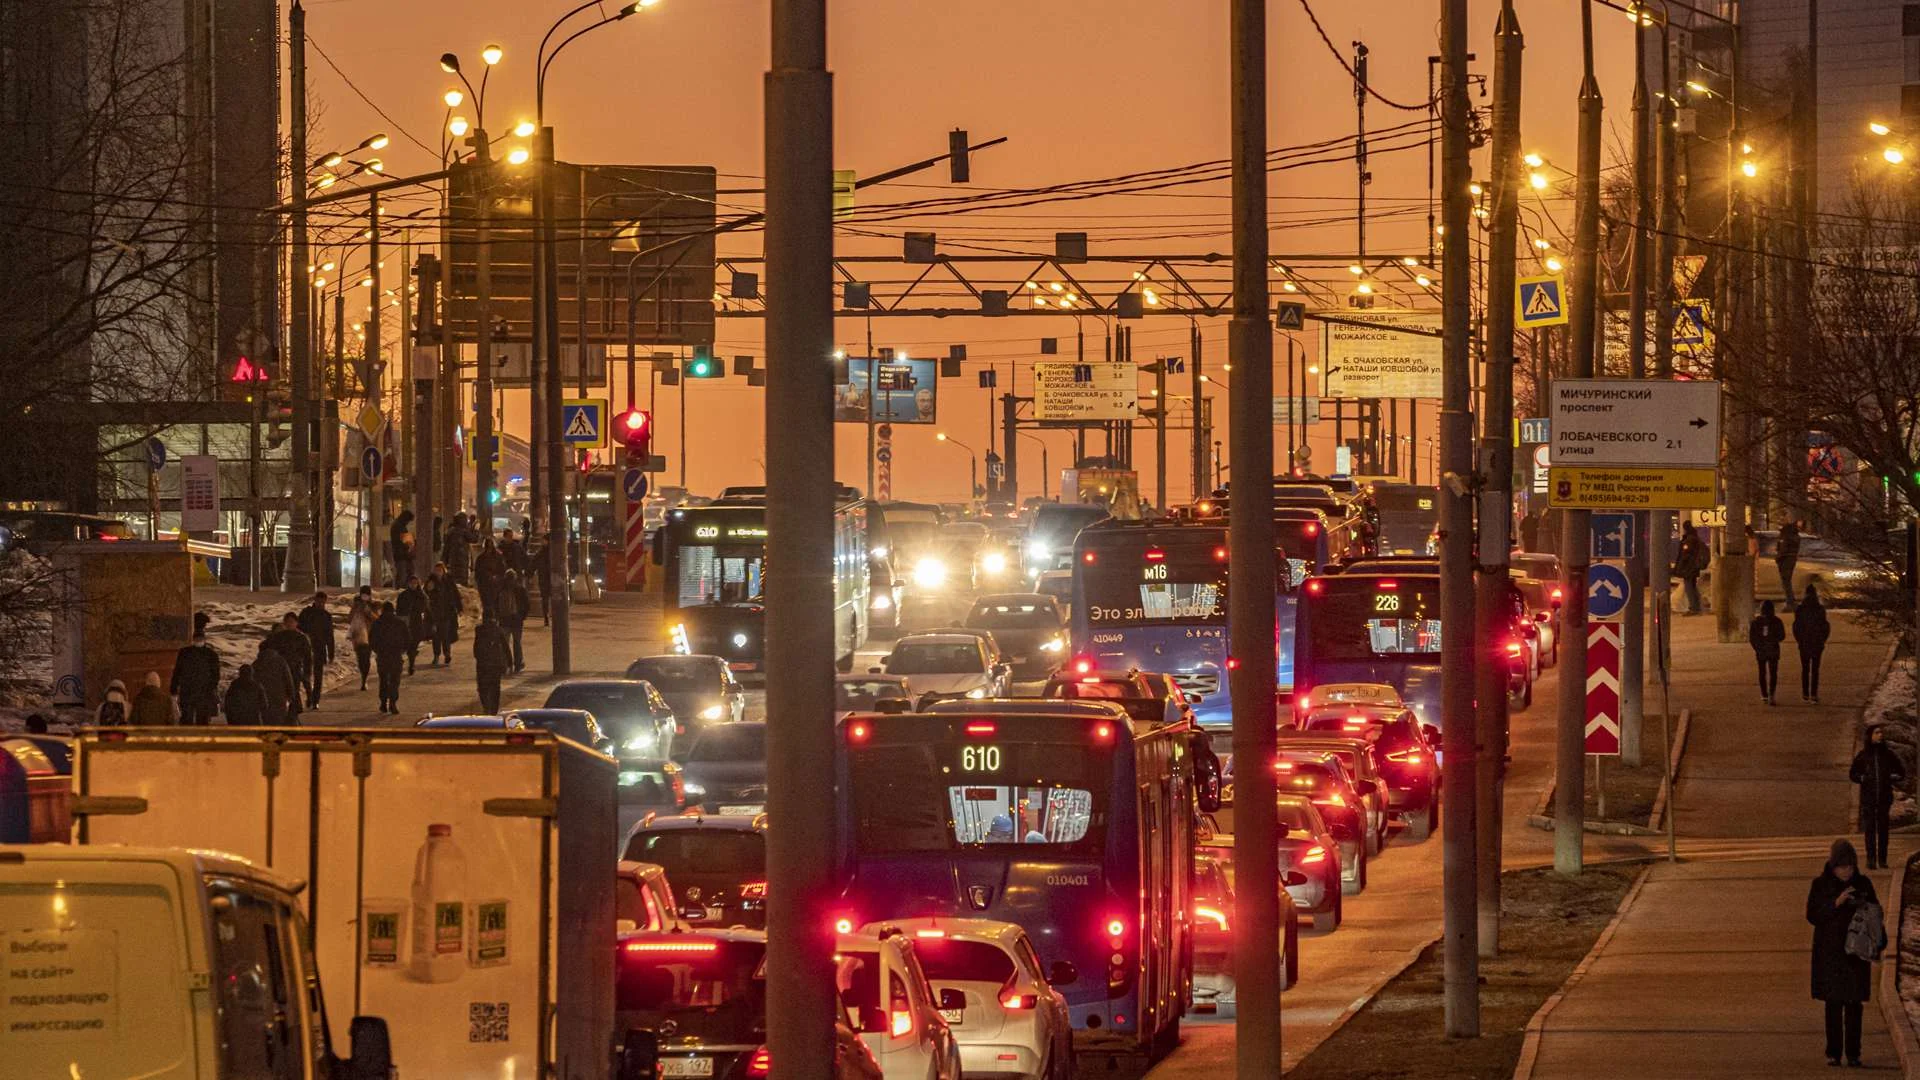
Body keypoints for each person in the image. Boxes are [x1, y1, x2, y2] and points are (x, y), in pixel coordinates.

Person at [1806, 838, 1879, 1067]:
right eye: (1842, 866)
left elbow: (1877, 916)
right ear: (1833, 865)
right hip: (1831, 954)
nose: (1846, 871)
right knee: (1834, 1004)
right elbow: (1813, 915)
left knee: (1854, 1004)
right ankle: (1834, 1052)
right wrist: (1836, 903)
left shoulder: (1863, 884)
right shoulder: (1821, 885)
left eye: (1850, 866)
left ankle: (1854, 1053)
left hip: (1855, 954)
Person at [1850, 726, 1906, 870]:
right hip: (1868, 797)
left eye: (1881, 733)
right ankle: (1871, 859)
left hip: (1884, 796)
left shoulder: (1888, 755)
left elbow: (1901, 772)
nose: (1880, 735)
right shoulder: (1863, 755)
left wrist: (1893, 777)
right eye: (1877, 733)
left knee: (1883, 829)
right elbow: (1853, 774)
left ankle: (1882, 859)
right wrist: (1862, 778)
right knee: (1870, 829)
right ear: (1870, 736)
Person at [169, 617, 221, 726]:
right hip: (203, 693)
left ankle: (187, 740)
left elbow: (177, 671)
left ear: (193, 640)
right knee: (202, 721)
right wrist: (211, 688)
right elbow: (216, 676)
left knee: (187, 719)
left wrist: (173, 688)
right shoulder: (211, 655)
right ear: (204, 639)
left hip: (187, 691)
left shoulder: (184, 653)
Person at [370, 600, 411, 714]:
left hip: (382, 655)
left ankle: (383, 703)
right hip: (396, 655)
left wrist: (377, 650)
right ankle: (393, 702)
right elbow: (407, 639)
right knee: (394, 680)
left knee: (383, 680)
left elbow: (372, 640)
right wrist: (403, 650)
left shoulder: (377, 623)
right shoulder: (399, 623)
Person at [1794, 583, 1832, 704]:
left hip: (1804, 643)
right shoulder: (1820, 609)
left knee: (1805, 669)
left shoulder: (1800, 609)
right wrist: (1822, 639)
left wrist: (1799, 639)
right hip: (1817, 643)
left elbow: (1796, 626)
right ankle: (1814, 694)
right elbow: (1825, 626)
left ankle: (1805, 694)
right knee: (1815, 669)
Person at [472, 613, 513, 714]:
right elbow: (505, 647)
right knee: (495, 687)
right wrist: (510, 662)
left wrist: (479, 658)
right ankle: (494, 709)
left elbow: (476, 647)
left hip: (483, 664)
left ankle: (486, 707)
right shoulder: (498, 630)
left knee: (483, 687)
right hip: (495, 663)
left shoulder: (479, 630)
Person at [252, 640, 298, 725]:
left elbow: (252, 683)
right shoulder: (281, 661)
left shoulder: (256, 663)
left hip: (263, 699)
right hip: (280, 697)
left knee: (266, 722)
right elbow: (288, 680)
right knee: (279, 722)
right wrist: (291, 696)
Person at [1749, 599, 1786, 705]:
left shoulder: (1756, 622)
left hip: (1761, 651)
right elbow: (1782, 636)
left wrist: (1757, 647)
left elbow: (1752, 638)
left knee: (1762, 673)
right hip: (1773, 650)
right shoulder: (1777, 621)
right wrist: (1774, 640)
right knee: (1773, 673)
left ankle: (1764, 694)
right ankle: (1772, 694)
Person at [427, 562, 463, 666]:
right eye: (436, 570)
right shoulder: (431, 581)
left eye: (440, 570)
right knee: (436, 636)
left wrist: (459, 608)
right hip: (435, 614)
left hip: (447, 612)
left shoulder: (449, 581)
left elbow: (455, 594)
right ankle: (436, 655)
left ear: (444, 571)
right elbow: (426, 595)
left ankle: (447, 654)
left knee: (445, 634)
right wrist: (429, 589)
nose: (438, 572)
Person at [396, 575, 429, 675]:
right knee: (407, 644)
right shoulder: (403, 595)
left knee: (413, 644)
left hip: (416, 623)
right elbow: (399, 610)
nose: (413, 585)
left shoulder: (421, 595)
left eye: (415, 583)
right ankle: (410, 663)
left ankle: (411, 663)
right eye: (411, 583)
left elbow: (425, 608)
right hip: (406, 623)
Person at [500, 569, 530, 674]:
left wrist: (522, 616)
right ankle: (506, 664)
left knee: (515, 643)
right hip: (506, 619)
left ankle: (517, 663)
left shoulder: (519, 590)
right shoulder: (502, 590)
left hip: (514, 619)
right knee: (506, 643)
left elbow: (526, 604)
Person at [1675, 524, 1709, 615]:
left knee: (1689, 588)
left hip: (1688, 569)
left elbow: (1685, 556)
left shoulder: (1689, 540)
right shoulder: (1695, 538)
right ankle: (1696, 607)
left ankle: (1693, 608)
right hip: (1693, 568)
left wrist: (1679, 568)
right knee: (1693, 588)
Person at [347, 586, 376, 690]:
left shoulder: (373, 605)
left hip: (369, 635)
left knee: (366, 658)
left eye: (367, 594)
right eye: (363, 594)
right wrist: (355, 609)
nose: (365, 596)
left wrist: (368, 611)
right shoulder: (356, 605)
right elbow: (349, 619)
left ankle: (364, 679)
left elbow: (377, 619)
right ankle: (363, 676)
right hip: (357, 636)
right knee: (360, 658)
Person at [475, 537, 506, 618]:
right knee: (486, 603)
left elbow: (502, 570)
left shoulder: (498, 557)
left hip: (495, 584)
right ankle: (487, 619)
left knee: (494, 603)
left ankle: (495, 618)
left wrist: (497, 578)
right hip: (484, 584)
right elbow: (478, 572)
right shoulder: (481, 558)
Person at [442, 511, 475, 586]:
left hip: (452, 560)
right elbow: (473, 539)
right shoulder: (463, 531)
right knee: (462, 581)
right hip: (462, 561)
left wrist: (444, 560)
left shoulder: (450, 531)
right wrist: (476, 529)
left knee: (453, 581)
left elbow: (446, 548)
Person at [1778, 519, 1803, 610]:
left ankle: (1790, 601)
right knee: (1787, 581)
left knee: (1786, 581)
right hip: (1791, 559)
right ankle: (1790, 600)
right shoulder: (1796, 537)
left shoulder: (1786, 536)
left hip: (1785, 560)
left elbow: (1783, 549)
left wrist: (1778, 558)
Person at [389, 508, 416, 585]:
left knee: (407, 573)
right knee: (402, 575)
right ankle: (400, 590)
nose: (408, 523)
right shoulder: (398, 526)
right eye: (408, 520)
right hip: (401, 554)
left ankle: (403, 588)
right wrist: (408, 544)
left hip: (403, 554)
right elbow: (400, 541)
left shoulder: (400, 525)